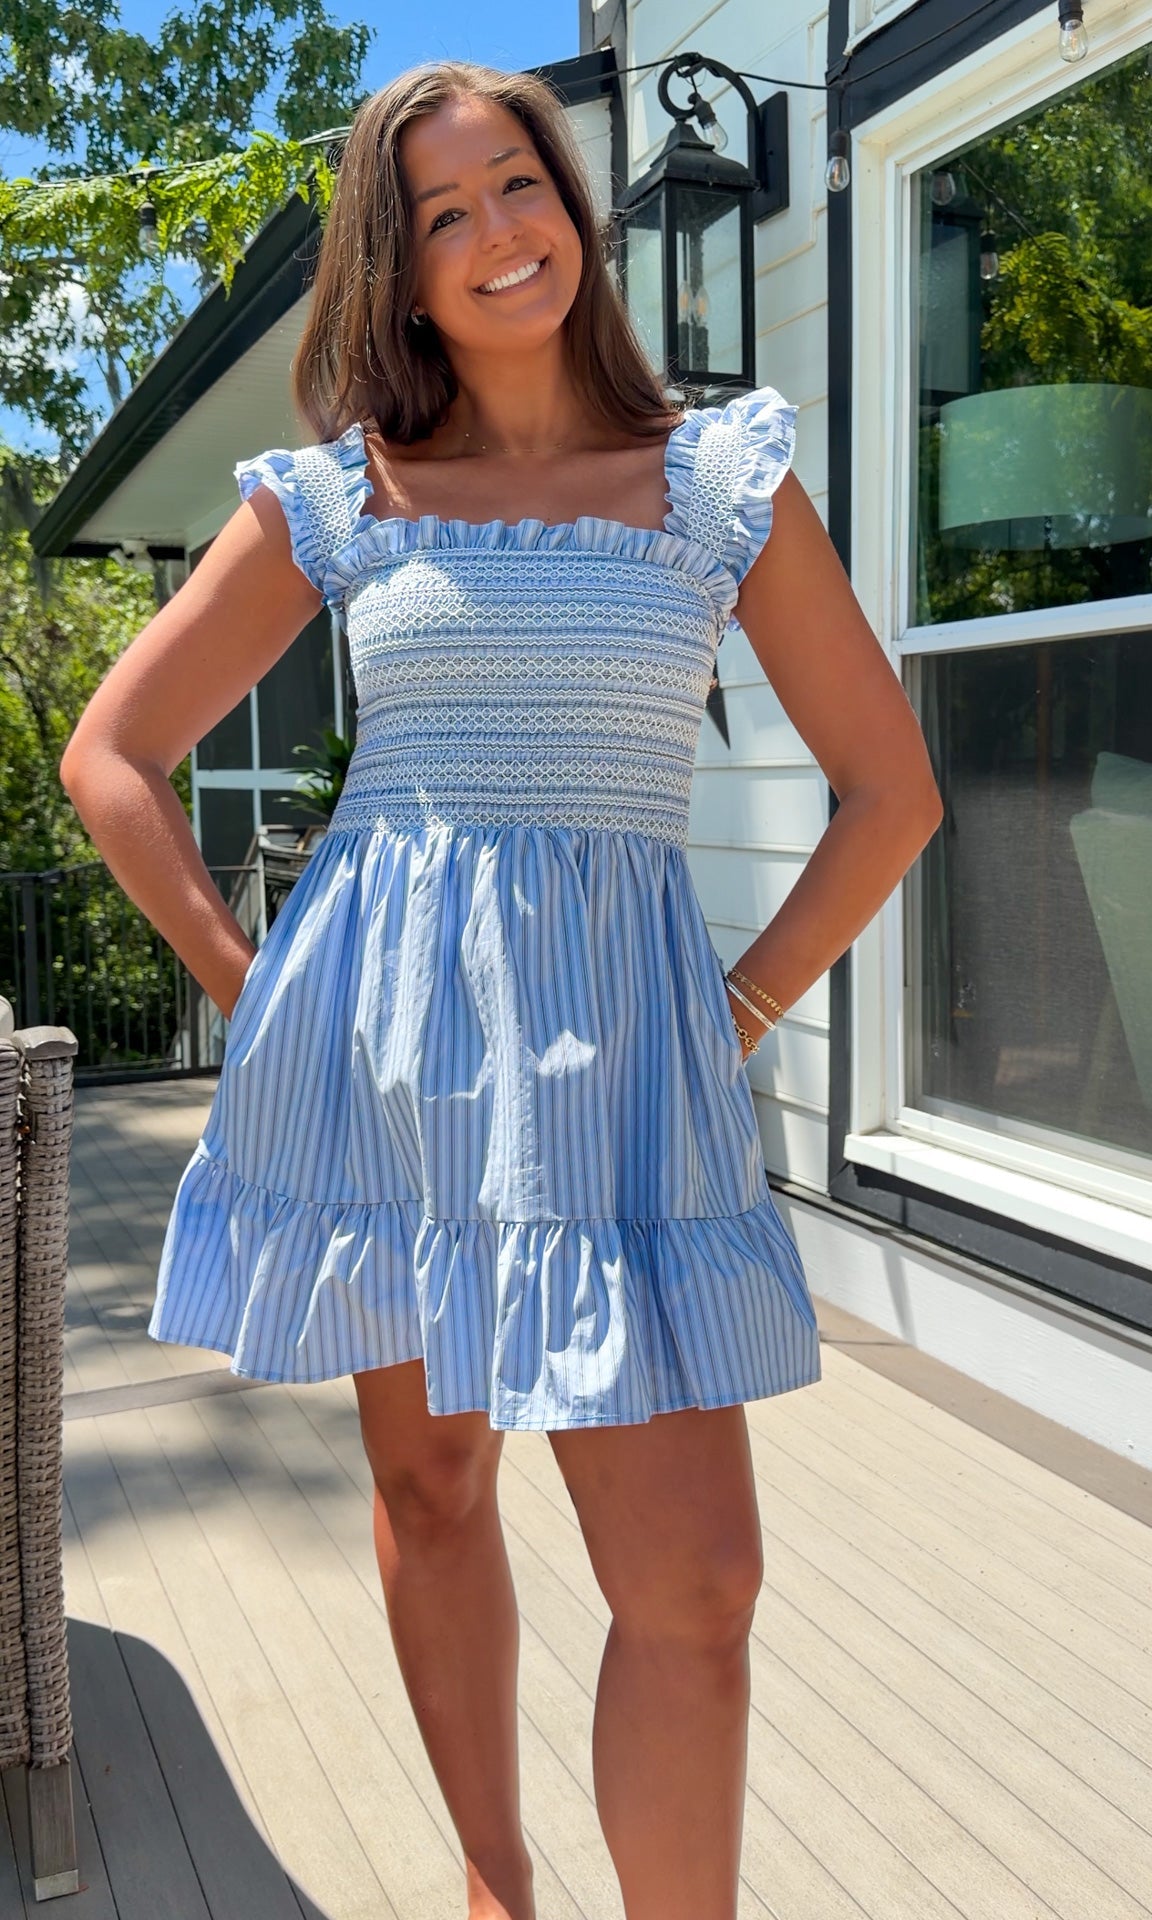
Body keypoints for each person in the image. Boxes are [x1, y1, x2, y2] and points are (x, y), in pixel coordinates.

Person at [59, 57, 942, 1920]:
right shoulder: (345, 497)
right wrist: (262, 993)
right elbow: (113, 757)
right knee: (436, 1484)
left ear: (573, 201)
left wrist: (739, 1011)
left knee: (696, 1585)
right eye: (442, 213)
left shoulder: (718, 482)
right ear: (397, 268)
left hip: (626, 1077)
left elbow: (894, 793)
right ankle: (494, 1880)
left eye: (518, 184)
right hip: (390, 1066)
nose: (495, 233)